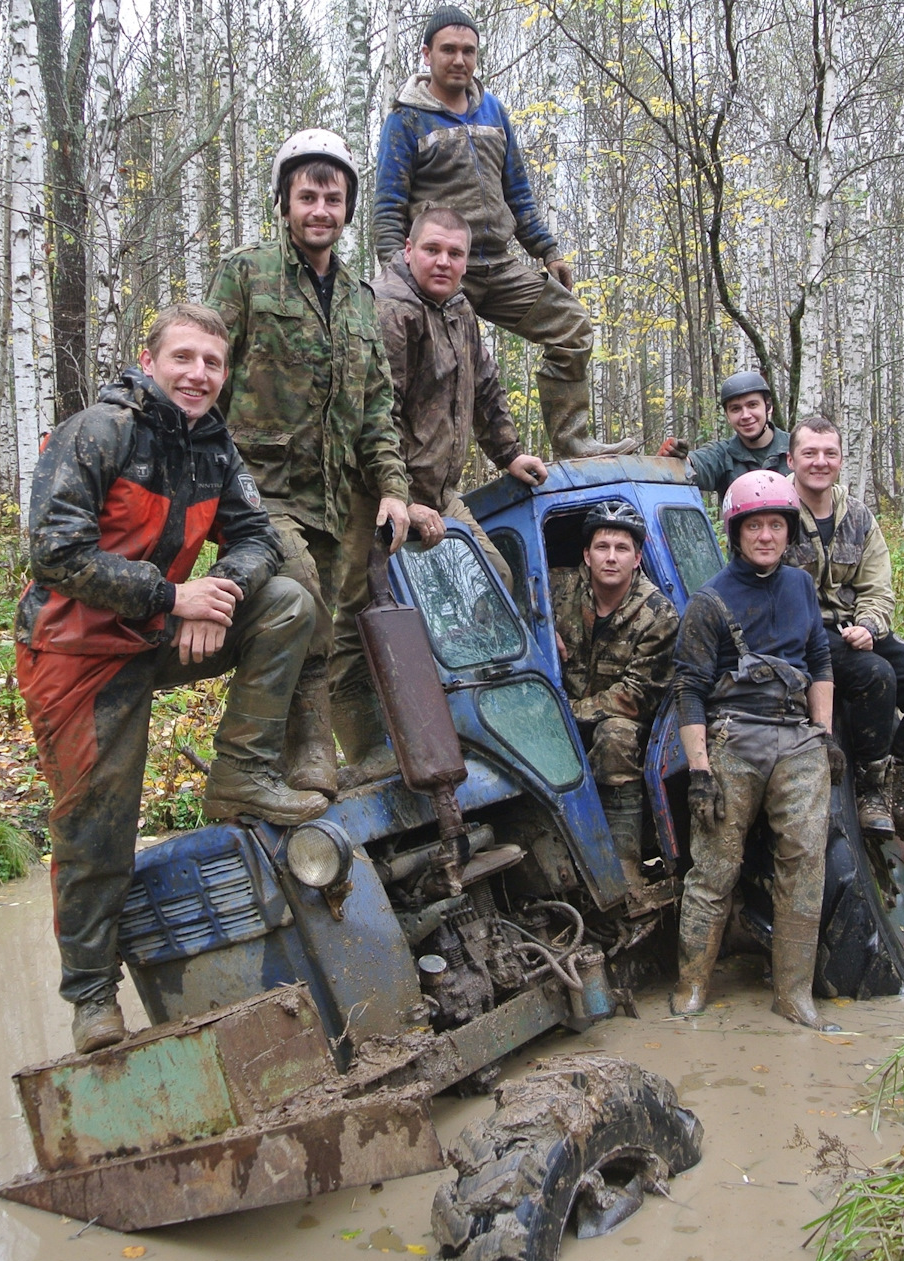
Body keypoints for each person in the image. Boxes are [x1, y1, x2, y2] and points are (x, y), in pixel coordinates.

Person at [16, 304, 327, 1056]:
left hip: (159, 632)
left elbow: (255, 535)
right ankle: (92, 997)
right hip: (78, 650)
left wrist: (217, 595)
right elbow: (54, 553)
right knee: (96, 827)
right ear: (149, 361)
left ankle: (243, 774)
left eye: (212, 365)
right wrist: (172, 595)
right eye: (184, 359)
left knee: (287, 601)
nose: (198, 376)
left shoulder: (214, 448)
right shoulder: (100, 432)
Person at [207, 130, 411, 801]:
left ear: (348, 208)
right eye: (307, 196)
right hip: (254, 488)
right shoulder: (246, 273)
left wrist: (393, 488)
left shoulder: (359, 300)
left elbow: (377, 406)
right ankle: (301, 748)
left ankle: (279, 756)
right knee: (305, 600)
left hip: (329, 498)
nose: (320, 209)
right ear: (285, 202)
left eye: (333, 197)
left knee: (304, 615)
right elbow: (207, 374)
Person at [373, 6, 624, 459]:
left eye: (469, 51)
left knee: (571, 324)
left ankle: (573, 442)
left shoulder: (493, 111)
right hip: (444, 271)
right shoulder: (405, 120)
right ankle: (413, 472)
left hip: (499, 265)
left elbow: (519, 193)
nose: (459, 60)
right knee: (441, 369)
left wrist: (547, 251)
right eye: (448, 50)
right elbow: (389, 206)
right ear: (426, 54)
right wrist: (398, 278)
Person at [354, 204, 550, 776]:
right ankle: (399, 747)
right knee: (389, 626)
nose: (443, 261)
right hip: (384, 499)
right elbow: (374, 415)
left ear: (466, 262)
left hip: (441, 494)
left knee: (496, 582)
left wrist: (511, 454)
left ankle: (476, 723)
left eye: (455, 253)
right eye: (433, 249)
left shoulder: (459, 309)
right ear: (408, 249)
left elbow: (485, 391)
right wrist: (403, 497)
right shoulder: (391, 310)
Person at [669, 469, 841, 1030]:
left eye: (776, 525)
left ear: (788, 530)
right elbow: (689, 688)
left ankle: (794, 994)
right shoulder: (709, 600)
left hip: (796, 740)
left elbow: (819, 659)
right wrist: (699, 770)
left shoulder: (799, 587)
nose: (766, 535)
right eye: (754, 526)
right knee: (714, 868)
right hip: (731, 740)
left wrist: (824, 732)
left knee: (805, 864)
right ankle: (692, 985)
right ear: (735, 531)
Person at [784, 415, 904, 845]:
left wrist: (869, 626)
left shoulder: (858, 516)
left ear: (841, 460)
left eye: (829, 454)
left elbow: (878, 587)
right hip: (803, 637)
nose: (820, 462)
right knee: (876, 676)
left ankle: (901, 790)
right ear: (791, 458)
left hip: (855, 630)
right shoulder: (774, 511)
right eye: (810, 453)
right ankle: (870, 788)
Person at [549, 501, 679, 883]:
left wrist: (566, 713)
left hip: (628, 725)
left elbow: (634, 697)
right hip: (561, 708)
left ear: (637, 558)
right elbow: (496, 613)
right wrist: (534, 630)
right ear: (586, 556)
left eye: (621, 549)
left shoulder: (658, 614)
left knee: (615, 736)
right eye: (602, 548)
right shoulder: (556, 588)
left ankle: (623, 863)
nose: (611, 558)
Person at [676, 371, 790, 500]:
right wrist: (677, 459)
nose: (745, 415)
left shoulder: (795, 449)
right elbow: (698, 463)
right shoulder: (722, 455)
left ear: (768, 406)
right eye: (736, 409)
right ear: (727, 415)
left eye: (752, 405)